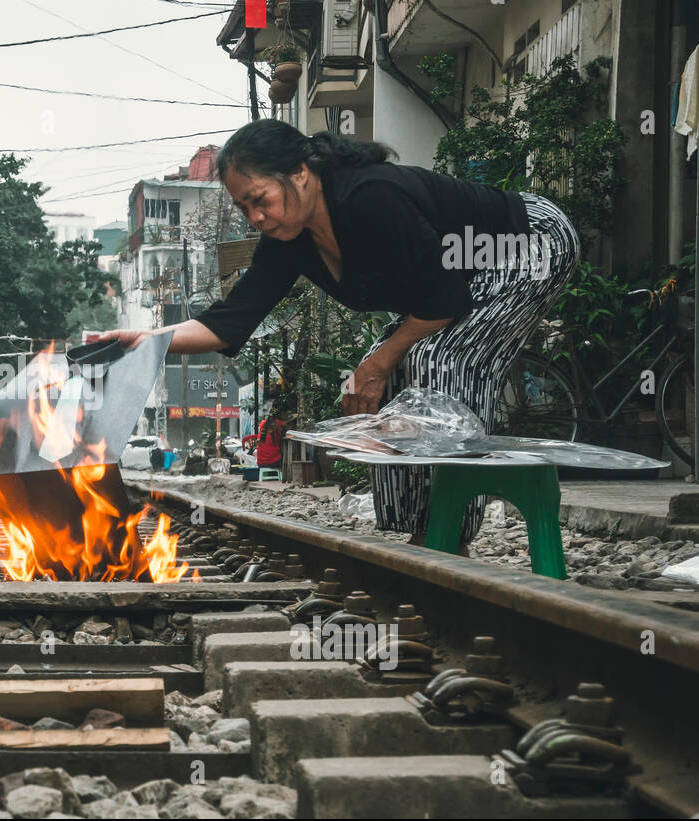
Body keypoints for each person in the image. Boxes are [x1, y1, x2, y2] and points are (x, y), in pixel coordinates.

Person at [100, 120, 579, 555]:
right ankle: (417, 527)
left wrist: (378, 363)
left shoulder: (372, 197)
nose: (255, 218)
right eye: (245, 208)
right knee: (379, 379)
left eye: (259, 199)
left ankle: (450, 533)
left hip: (527, 243)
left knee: (441, 359)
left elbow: (442, 302)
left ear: (301, 173)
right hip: (453, 284)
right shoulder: (289, 242)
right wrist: (147, 340)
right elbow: (230, 320)